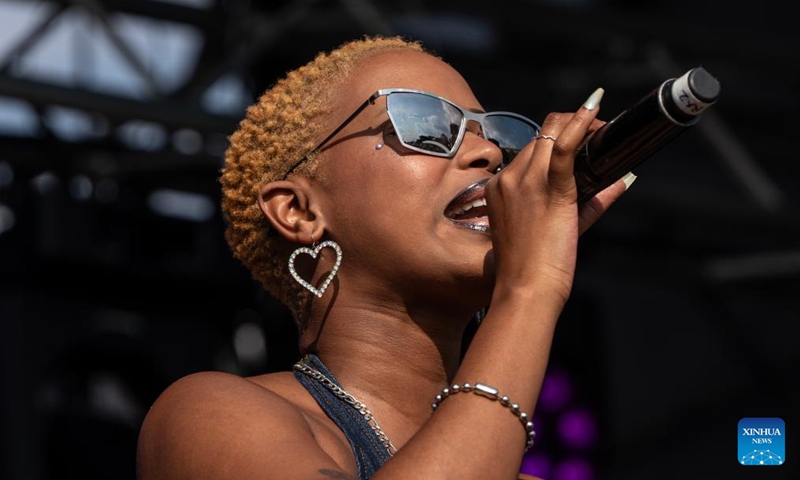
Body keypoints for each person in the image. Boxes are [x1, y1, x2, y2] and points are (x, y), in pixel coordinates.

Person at [136, 34, 632, 480]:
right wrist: (528, 291)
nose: (489, 154)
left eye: (495, 135)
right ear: (298, 210)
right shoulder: (211, 416)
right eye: (426, 125)